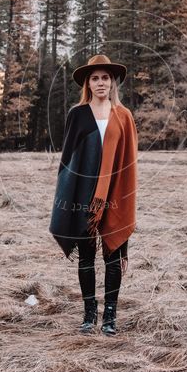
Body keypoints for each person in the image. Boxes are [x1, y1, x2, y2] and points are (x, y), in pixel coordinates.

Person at [48, 54, 139, 335]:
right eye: (95, 78)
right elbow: (68, 162)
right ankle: (90, 314)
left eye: (105, 77)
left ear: (112, 82)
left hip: (114, 195)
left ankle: (110, 316)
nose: (101, 82)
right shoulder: (77, 114)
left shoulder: (123, 117)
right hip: (84, 196)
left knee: (113, 255)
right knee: (86, 257)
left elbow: (129, 163)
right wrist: (71, 194)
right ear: (88, 83)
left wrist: (122, 196)